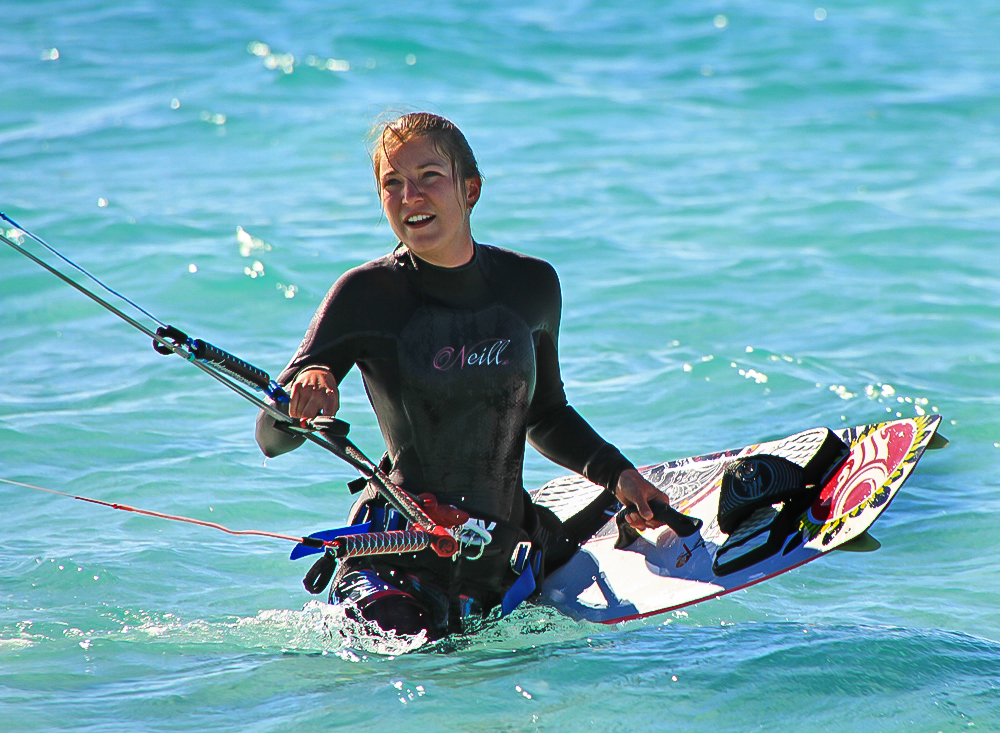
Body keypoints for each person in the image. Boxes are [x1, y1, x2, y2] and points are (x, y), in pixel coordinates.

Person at [256, 112, 671, 638]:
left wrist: (620, 476)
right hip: (398, 563)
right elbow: (270, 440)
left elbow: (545, 416)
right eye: (392, 183)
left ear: (470, 189)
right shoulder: (366, 295)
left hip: (503, 557)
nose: (411, 196)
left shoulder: (531, 284)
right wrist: (307, 386)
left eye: (429, 176)